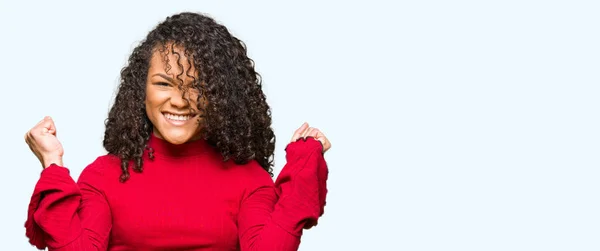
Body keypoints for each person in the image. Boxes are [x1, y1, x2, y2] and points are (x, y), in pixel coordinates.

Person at [24, 12, 330, 251]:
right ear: (140, 90)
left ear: (220, 94)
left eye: (196, 86)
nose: (180, 101)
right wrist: (53, 162)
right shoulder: (103, 176)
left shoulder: (249, 180)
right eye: (163, 83)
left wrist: (303, 166)